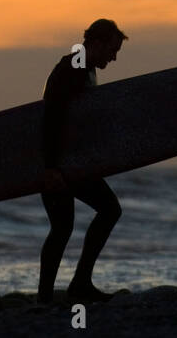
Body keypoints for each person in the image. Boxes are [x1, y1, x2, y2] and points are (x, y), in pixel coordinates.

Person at [37, 19, 127, 304]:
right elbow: (51, 118)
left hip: (71, 164)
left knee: (67, 225)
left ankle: (65, 290)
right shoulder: (71, 69)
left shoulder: (83, 68)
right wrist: (51, 168)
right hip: (61, 165)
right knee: (102, 212)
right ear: (96, 43)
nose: (113, 57)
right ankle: (65, 290)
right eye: (111, 50)